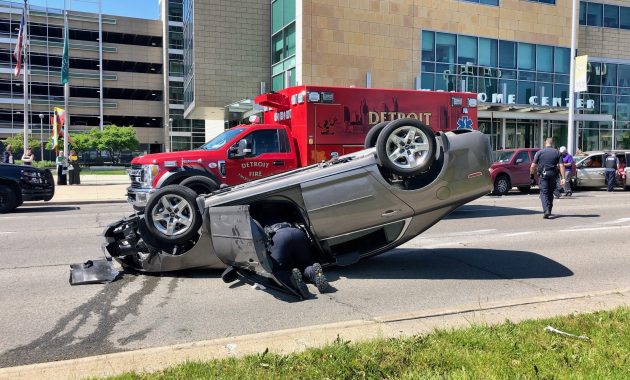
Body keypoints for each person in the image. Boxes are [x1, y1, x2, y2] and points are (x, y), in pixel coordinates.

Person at [265, 222, 332, 298]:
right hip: (297, 232)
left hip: (278, 236)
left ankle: (293, 281)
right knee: (305, 264)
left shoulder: (259, 216)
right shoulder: (287, 213)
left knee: (277, 270)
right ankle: (316, 275)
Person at [531, 138, 566, 219]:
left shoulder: (539, 152)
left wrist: (532, 176)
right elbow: (561, 166)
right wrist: (563, 178)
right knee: (550, 193)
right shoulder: (557, 152)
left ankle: (546, 210)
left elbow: (533, 166)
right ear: (552, 143)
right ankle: (549, 210)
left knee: (544, 193)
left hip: (543, 175)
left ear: (545, 143)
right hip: (553, 175)